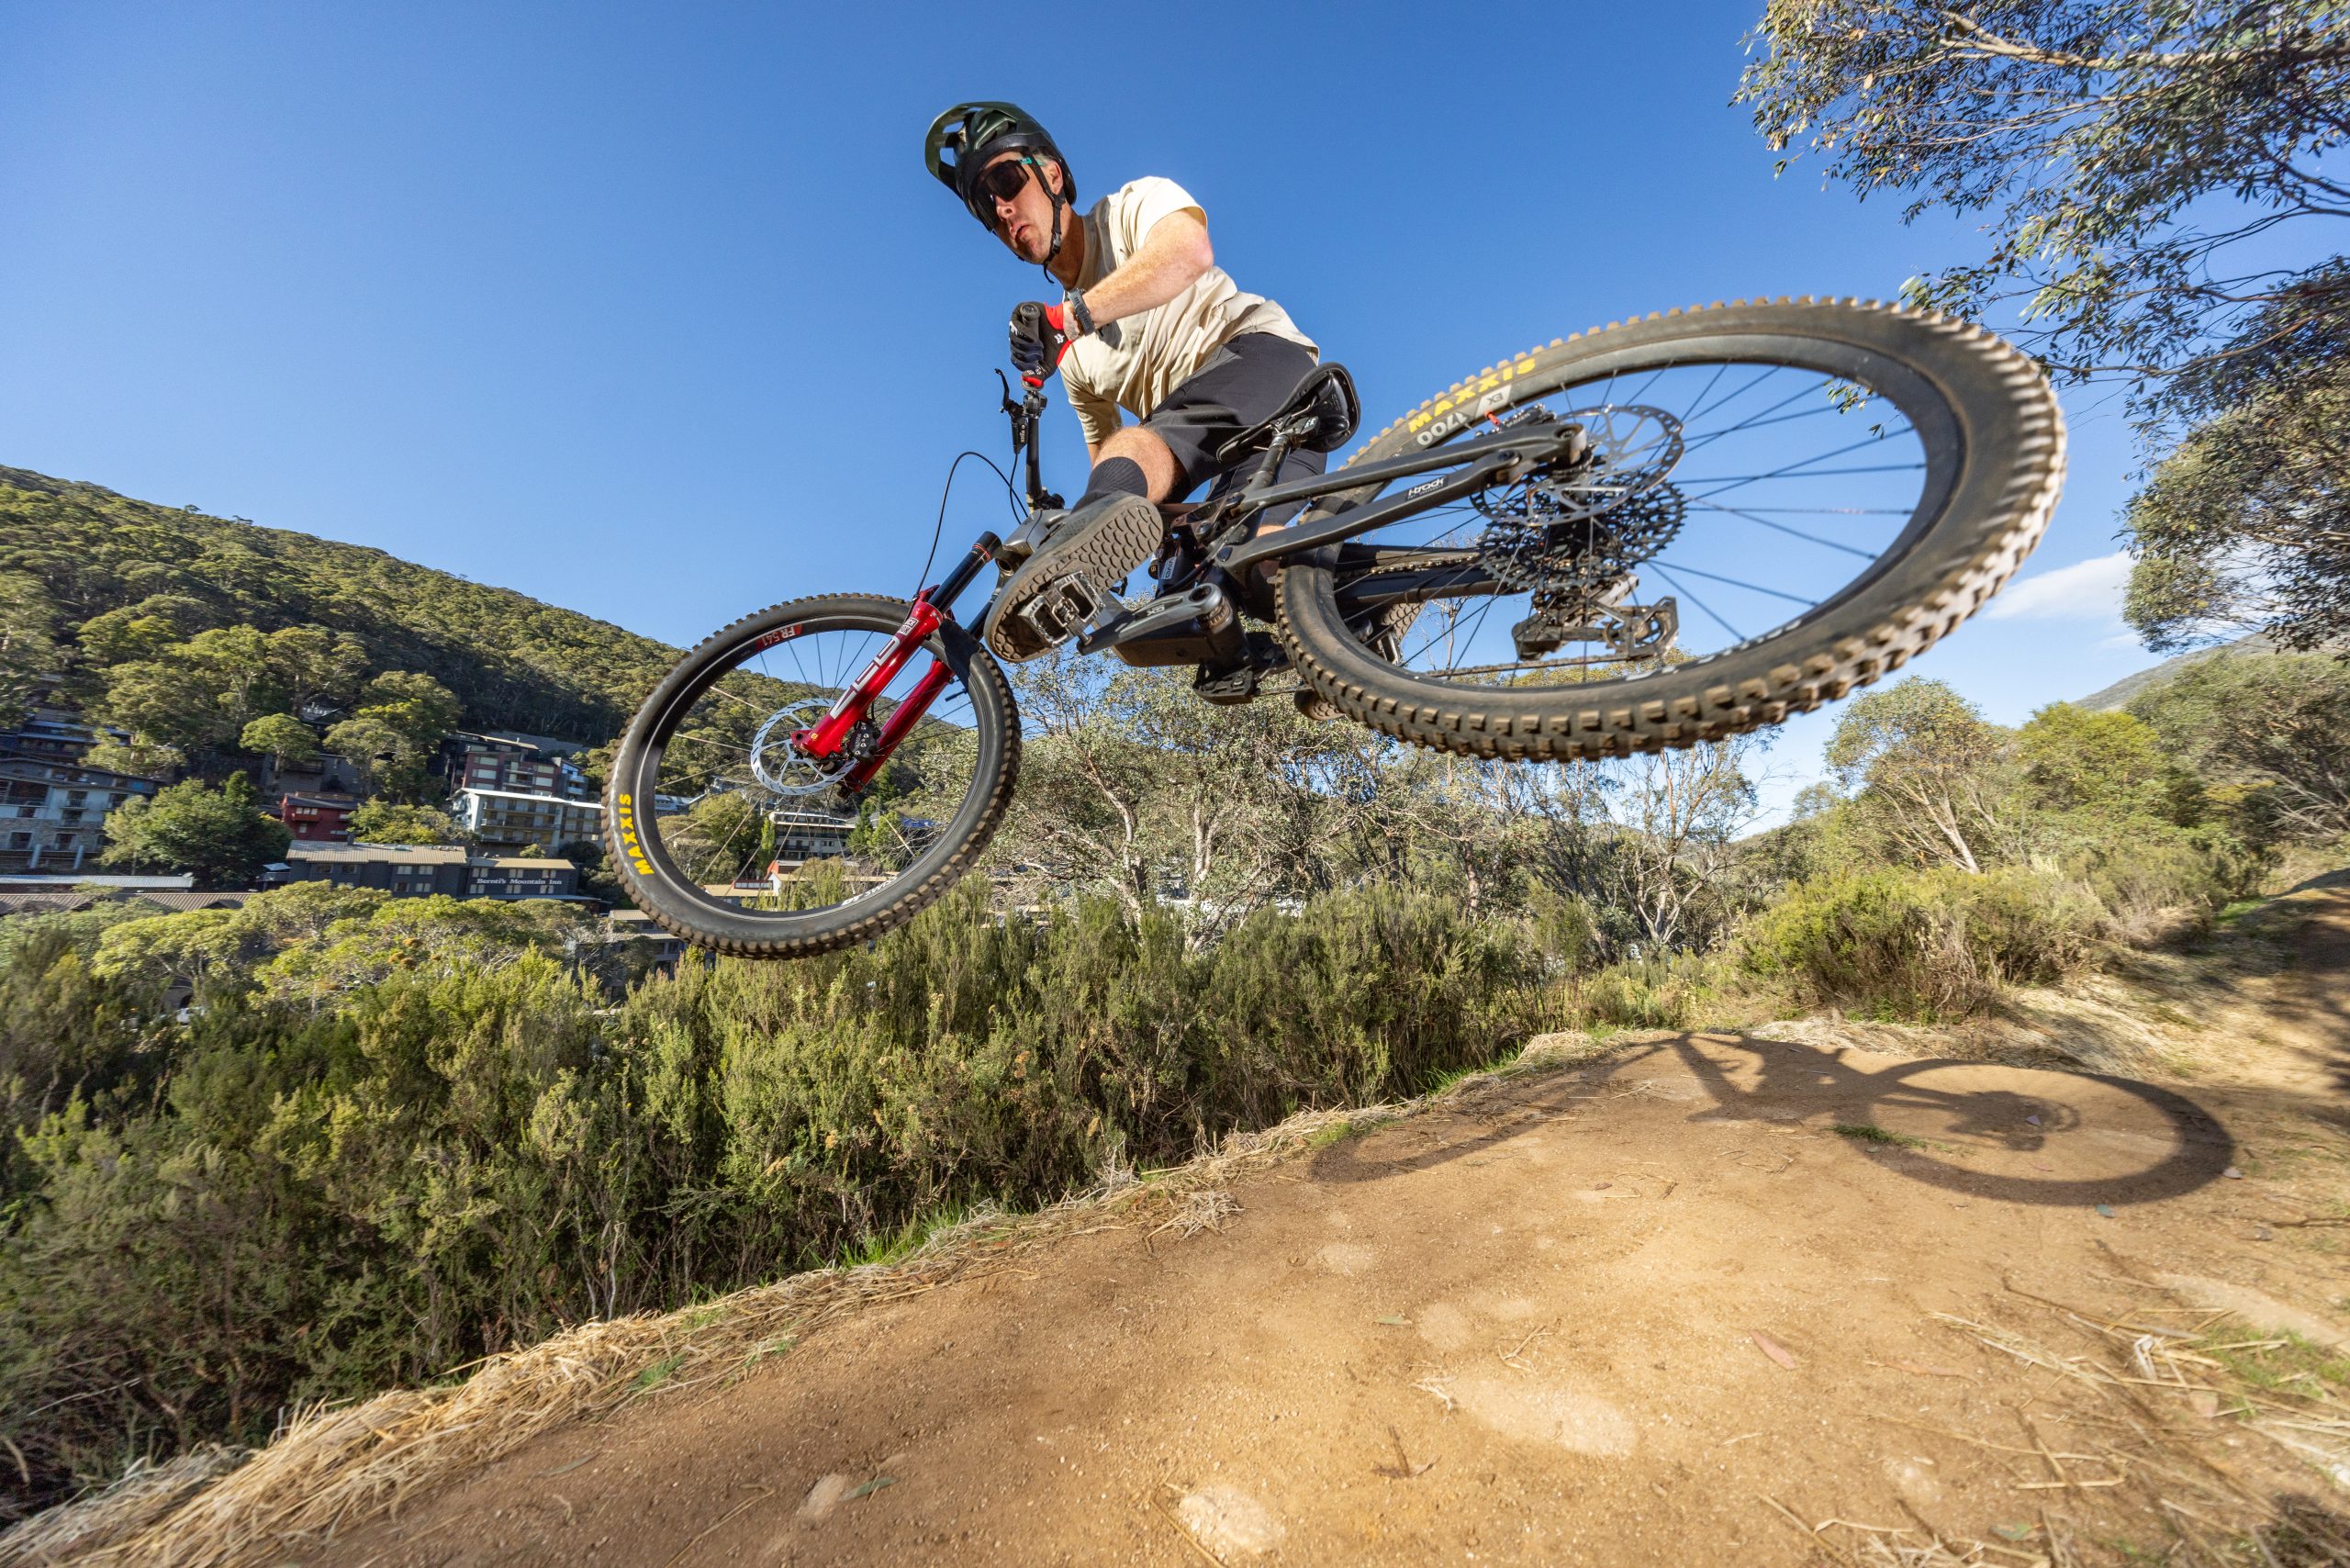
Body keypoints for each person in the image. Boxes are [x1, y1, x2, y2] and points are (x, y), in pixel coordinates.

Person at [924, 102, 1328, 663]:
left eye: (1006, 180)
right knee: (1252, 575)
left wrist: (1067, 320)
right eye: (986, 209)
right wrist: (1084, 525)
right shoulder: (1074, 363)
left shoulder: (1132, 208)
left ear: (1053, 175)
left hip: (1265, 364)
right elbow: (1111, 472)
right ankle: (1366, 620)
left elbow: (1188, 252)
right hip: (1242, 444)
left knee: (1144, 441)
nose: (1002, 209)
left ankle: (1079, 564)